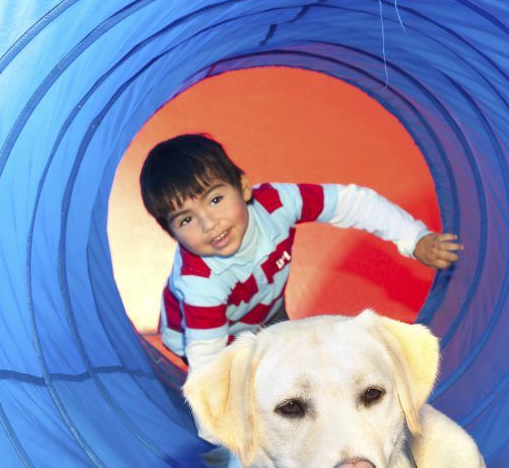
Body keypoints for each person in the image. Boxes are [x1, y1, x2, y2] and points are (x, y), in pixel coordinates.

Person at [140, 133, 461, 371]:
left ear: (244, 187)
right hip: (202, 338)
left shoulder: (278, 204)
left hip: (268, 310)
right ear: (172, 233)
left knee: (298, 365)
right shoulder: (200, 281)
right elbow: (208, 367)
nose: (209, 224)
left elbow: (353, 203)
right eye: (186, 219)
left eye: (214, 200)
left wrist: (414, 238)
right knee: (257, 381)